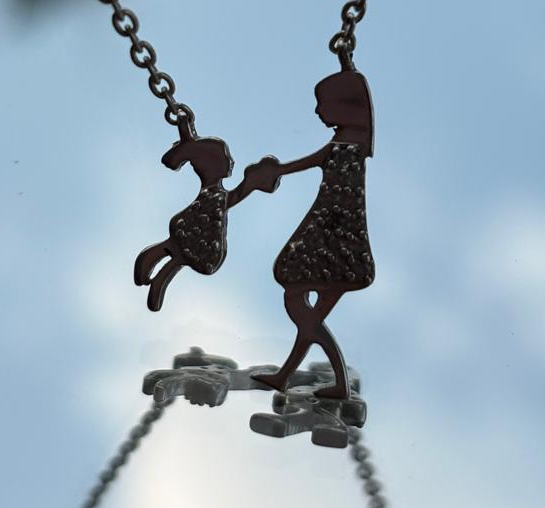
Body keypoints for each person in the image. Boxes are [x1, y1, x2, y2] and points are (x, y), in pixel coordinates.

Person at [250, 68, 375, 401]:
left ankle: (314, 380)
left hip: (333, 242)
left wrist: (277, 171)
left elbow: (314, 164)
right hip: (339, 243)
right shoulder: (344, 145)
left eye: (323, 104)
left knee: (300, 307)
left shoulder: (348, 148)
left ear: (346, 107)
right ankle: (289, 376)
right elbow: (310, 161)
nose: (318, 111)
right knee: (310, 321)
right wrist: (277, 171)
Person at [134, 133, 278, 311]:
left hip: (195, 231)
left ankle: (151, 271)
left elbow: (243, 190)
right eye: (227, 158)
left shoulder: (217, 196)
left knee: (175, 257)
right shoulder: (220, 198)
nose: (232, 161)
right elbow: (241, 191)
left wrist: (256, 179)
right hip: (198, 233)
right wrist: (255, 180)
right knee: (175, 256)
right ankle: (150, 271)